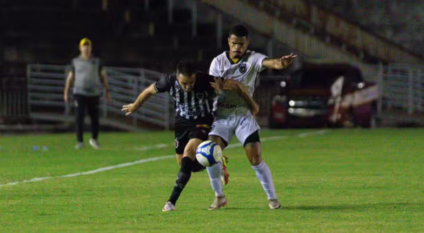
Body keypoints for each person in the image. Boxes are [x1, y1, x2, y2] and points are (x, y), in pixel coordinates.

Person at [121, 61, 258, 212]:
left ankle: (171, 202)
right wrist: (136, 105)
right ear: (177, 78)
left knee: (189, 152)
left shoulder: (207, 80)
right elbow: (149, 91)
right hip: (181, 123)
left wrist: (246, 101)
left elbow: (236, 85)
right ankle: (217, 161)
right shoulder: (168, 81)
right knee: (185, 165)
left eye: (191, 83)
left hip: (202, 121)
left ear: (196, 77)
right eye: (183, 83)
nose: (187, 87)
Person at [205, 25, 297, 210]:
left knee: (255, 158)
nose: (237, 47)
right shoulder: (218, 62)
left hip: (242, 115)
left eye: (241, 43)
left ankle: (272, 198)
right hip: (222, 114)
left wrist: (281, 63)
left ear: (247, 42)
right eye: (233, 43)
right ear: (228, 42)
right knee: (209, 154)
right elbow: (216, 85)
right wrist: (232, 86)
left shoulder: (253, 58)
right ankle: (219, 196)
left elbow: (271, 63)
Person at [63, 38, 111, 150]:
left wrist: (107, 90)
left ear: (91, 47)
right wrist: (66, 91)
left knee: (95, 117)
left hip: (94, 93)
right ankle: (80, 141)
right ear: (80, 48)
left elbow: (103, 77)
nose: (86, 48)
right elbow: (70, 78)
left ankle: (94, 139)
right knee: (79, 117)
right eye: (84, 46)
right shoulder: (75, 61)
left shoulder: (96, 61)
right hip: (79, 92)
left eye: (88, 46)